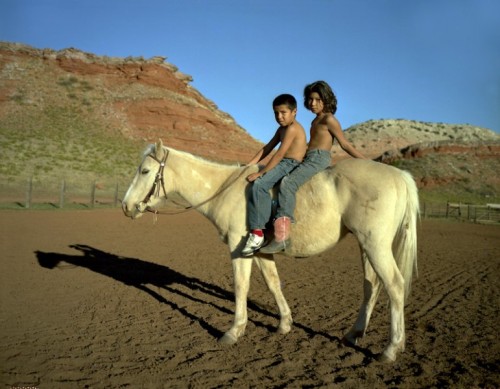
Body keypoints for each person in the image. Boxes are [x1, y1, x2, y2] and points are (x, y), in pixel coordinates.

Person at [260, 80, 368, 254]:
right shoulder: (315, 121)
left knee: (289, 182)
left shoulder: (329, 119)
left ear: (326, 99)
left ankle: (282, 236)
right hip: (308, 157)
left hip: (318, 159)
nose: (313, 103)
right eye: (310, 99)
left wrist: (368, 162)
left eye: (318, 99)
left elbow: (345, 144)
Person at [241, 94, 307, 256]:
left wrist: (261, 173)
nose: (279, 117)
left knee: (260, 185)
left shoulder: (292, 129)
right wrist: (249, 165)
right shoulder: (281, 129)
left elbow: (279, 154)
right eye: (276, 113)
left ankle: (257, 234)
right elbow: (267, 148)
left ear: (294, 112)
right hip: (283, 161)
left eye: (283, 112)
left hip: (290, 163)